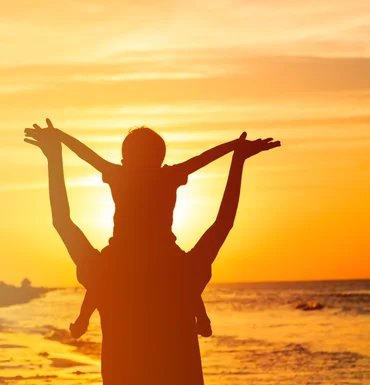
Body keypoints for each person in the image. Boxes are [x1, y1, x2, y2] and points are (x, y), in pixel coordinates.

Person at [24, 119, 280, 385]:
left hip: (121, 265)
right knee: (218, 231)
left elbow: (83, 161)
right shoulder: (181, 270)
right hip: (167, 265)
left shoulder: (108, 269)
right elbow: (207, 167)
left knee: (67, 229)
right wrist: (237, 155)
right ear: (161, 160)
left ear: (124, 160)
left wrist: (56, 150)